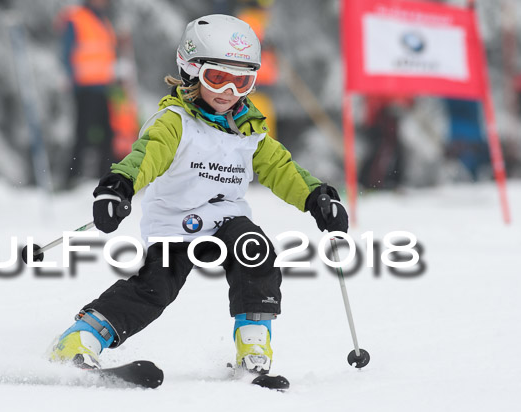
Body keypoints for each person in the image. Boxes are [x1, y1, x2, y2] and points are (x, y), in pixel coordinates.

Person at [49, 14, 348, 374]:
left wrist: (318, 197)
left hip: (225, 221)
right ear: (191, 71)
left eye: (242, 81)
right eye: (217, 78)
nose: (229, 92)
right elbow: (146, 156)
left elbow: (282, 169)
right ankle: (81, 338)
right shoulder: (175, 122)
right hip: (175, 224)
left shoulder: (248, 130)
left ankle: (253, 345)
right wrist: (118, 187)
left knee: (254, 248)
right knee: (155, 289)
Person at [58, 0, 118, 189]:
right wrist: (69, 77)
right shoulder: (77, 18)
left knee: (107, 134)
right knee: (83, 133)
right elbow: (66, 51)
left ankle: (106, 176)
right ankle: (72, 177)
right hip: (84, 86)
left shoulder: (103, 20)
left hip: (103, 86)